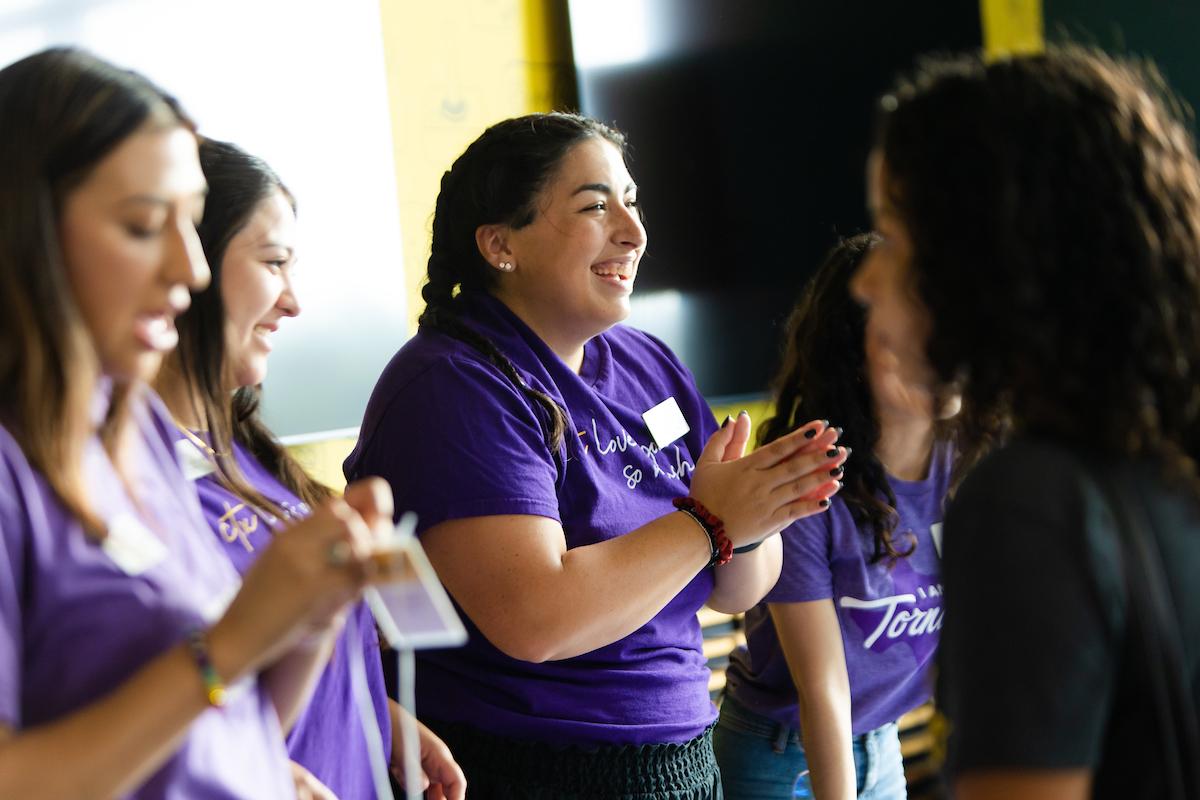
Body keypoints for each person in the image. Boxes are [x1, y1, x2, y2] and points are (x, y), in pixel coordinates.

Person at [344, 111, 849, 797]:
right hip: (522, 769)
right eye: (594, 206)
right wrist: (709, 522)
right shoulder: (453, 382)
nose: (634, 233)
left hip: (681, 761)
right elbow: (536, 618)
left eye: (632, 203)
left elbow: (736, 591)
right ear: (500, 245)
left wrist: (754, 514)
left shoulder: (648, 362)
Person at [0, 47, 397, 798]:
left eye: (192, 224)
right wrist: (233, 642)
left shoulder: (133, 427)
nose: (193, 269)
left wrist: (307, 617)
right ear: (28, 229)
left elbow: (227, 718)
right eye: (147, 225)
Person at [852, 46, 1200, 800]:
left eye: (894, 235)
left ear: (983, 255)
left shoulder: (1030, 502)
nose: (864, 278)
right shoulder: (1167, 456)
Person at [154, 138, 466, 799]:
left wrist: (378, 720)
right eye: (273, 263)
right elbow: (169, 692)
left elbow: (282, 657)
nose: (293, 302)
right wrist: (249, 762)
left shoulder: (246, 455)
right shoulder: (124, 478)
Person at [713, 234, 971, 800]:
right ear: (855, 352)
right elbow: (822, 690)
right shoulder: (806, 480)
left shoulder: (968, 465)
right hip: (777, 755)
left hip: (880, 740)